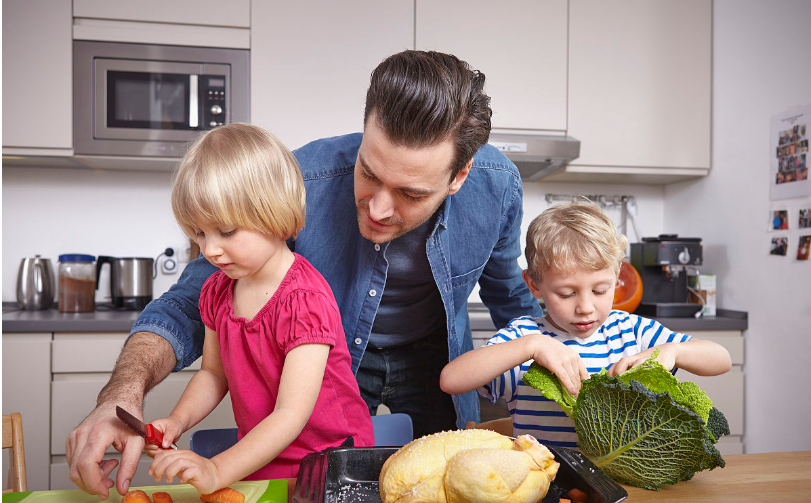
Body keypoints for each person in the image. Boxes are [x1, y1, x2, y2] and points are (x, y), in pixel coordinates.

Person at [66, 49, 542, 499]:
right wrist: (120, 396)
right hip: (332, 363)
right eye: (369, 172)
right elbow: (189, 301)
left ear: (459, 176)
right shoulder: (299, 180)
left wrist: (560, 364)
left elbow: (510, 299)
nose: (377, 208)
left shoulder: (496, 190)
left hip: (433, 359)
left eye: (410, 194)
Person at [146, 123, 374, 493]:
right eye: (199, 233)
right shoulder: (217, 292)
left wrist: (217, 471)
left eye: (226, 231)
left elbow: (290, 414)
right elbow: (212, 375)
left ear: (274, 214)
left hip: (329, 466)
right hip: (262, 458)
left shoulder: (305, 301)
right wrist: (178, 419)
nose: (210, 250)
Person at [439, 202, 732, 448]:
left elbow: (722, 359)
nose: (585, 307)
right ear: (534, 285)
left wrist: (673, 352)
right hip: (546, 485)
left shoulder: (631, 331)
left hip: (622, 485)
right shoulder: (525, 338)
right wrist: (531, 346)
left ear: (617, 276)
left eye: (601, 290)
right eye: (566, 293)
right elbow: (451, 380)